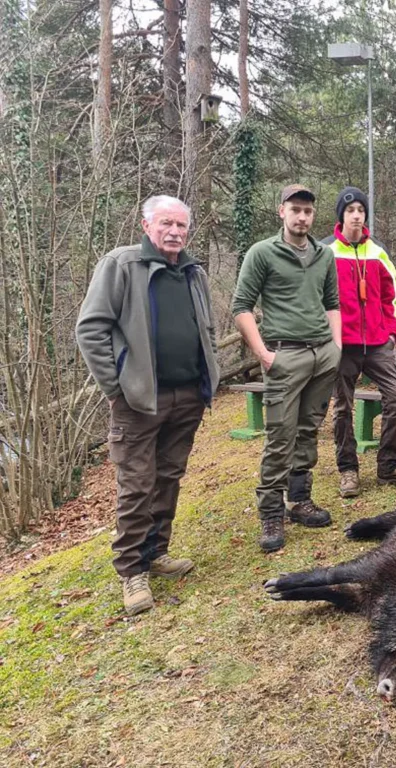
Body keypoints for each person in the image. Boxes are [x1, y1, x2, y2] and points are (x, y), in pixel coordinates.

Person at [76, 195, 220, 616]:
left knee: (168, 478)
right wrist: (116, 386)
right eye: (165, 223)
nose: (174, 232)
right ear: (146, 226)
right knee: (137, 484)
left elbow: (207, 328)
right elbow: (91, 329)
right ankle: (132, 570)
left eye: (181, 225)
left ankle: (157, 553)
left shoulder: (193, 272)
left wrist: (207, 373)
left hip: (187, 396)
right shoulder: (122, 265)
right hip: (138, 402)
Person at [232, 184, 342, 552]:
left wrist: (336, 347)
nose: (302, 217)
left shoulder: (324, 255)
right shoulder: (262, 253)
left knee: (308, 430)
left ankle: (299, 500)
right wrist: (264, 354)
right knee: (280, 435)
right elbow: (241, 307)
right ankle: (271, 513)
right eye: (295, 209)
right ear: (282, 211)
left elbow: (332, 303)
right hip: (284, 355)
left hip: (322, 355)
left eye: (308, 211)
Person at [325, 186, 396, 498]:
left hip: (378, 343)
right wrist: (328, 337)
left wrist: (392, 333)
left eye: (361, 210)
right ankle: (348, 470)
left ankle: (389, 467)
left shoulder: (377, 252)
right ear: (341, 215)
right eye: (350, 210)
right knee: (343, 407)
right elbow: (316, 298)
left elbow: (391, 296)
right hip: (342, 345)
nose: (356, 215)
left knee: (395, 397)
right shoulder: (326, 252)